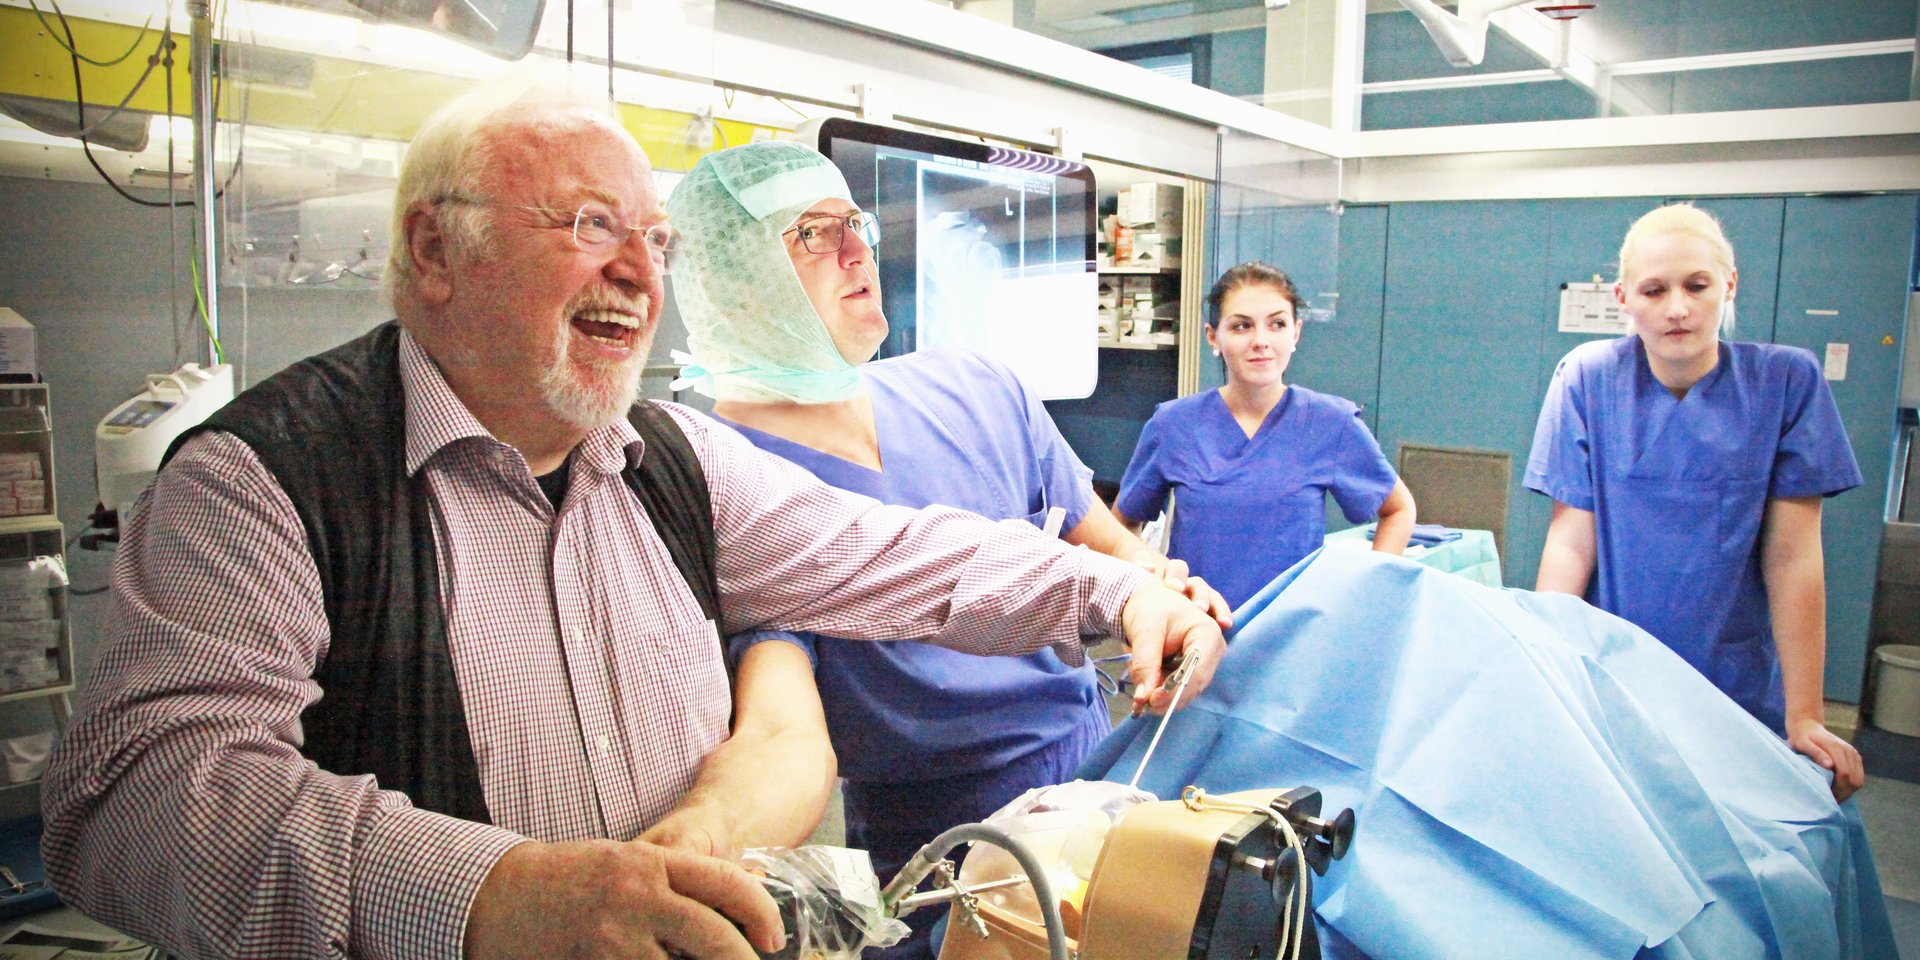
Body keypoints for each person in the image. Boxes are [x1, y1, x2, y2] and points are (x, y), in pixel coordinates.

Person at [39, 79, 1225, 960]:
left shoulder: (671, 465)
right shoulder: (267, 482)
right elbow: (137, 794)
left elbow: (902, 554)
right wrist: (492, 897)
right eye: (590, 227)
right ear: (434, 248)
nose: (640, 277)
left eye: (651, 241)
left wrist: (1114, 592)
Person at [664, 140, 1230, 960]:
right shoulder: (726, 489)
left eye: (851, 221)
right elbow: (784, 736)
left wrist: (1167, 600)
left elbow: (1115, 554)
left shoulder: (975, 389)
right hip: (944, 854)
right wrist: (699, 837)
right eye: (811, 235)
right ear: (736, 279)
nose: (860, 248)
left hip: (1108, 778)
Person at [1525, 202, 1865, 801]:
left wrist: (1806, 713)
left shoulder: (1786, 383)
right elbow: (1571, 542)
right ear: (1624, 298)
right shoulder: (1586, 377)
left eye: (1696, 285)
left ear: (1729, 285)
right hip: (1610, 675)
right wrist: (1543, 672)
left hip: (1730, 686)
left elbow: (1793, 560)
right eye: (1654, 290)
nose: (1677, 308)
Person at [1113, 262, 1416, 611]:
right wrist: (1140, 605)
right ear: (1213, 337)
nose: (1261, 341)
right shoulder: (1174, 425)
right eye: (1242, 326)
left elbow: (1398, 510)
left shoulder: (1331, 423)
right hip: (1195, 632)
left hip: (1293, 638)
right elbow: (1123, 524)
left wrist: (1366, 596)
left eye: (1277, 324)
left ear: (1296, 333)